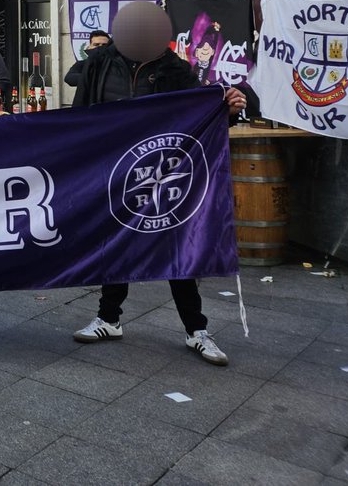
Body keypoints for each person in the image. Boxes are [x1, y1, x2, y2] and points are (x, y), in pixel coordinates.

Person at [71, 39, 247, 366]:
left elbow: (202, 112)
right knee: (116, 243)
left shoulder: (176, 71)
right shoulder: (100, 63)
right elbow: (80, 112)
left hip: (162, 170)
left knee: (173, 244)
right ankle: (109, 319)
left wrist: (229, 109)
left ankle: (196, 329)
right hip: (113, 171)